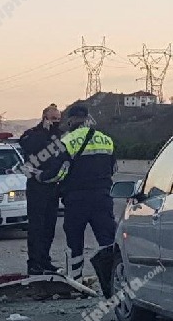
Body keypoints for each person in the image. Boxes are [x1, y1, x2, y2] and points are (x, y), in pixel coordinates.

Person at [38, 104, 117, 295]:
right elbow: (113, 169)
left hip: (76, 200)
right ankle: (113, 282)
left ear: (71, 120)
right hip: (102, 198)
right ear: (88, 118)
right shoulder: (106, 140)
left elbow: (59, 173)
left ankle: (76, 285)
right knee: (108, 242)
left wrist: (40, 177)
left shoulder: (68, 141)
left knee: (75, 243)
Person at [19, 104, 63, 275]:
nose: (56, 123)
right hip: (37, 186)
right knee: (37, 226)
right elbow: (29, 146)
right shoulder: (32, 134)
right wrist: (46, 133)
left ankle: (45, 260)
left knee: (49, 226)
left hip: (53, 186)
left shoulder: (60, 135)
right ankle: (34, 263)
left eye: (58, 119)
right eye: (53, 119)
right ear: (44, 118)